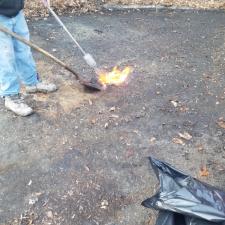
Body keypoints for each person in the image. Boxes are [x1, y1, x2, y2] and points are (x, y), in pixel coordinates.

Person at [0, 0, 57, 116]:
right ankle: (10, 96)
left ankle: (32, 83)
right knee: (6, 58)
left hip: (17, 12)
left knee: (24, 50)